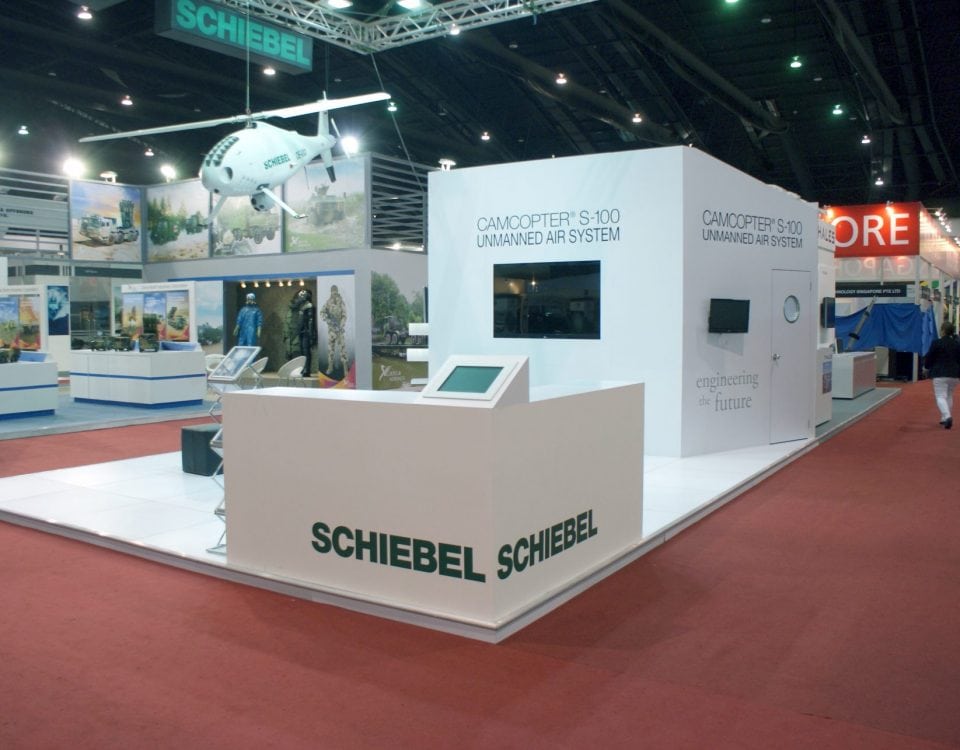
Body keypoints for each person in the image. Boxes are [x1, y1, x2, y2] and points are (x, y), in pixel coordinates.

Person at [923, 319, 960, 429]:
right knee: (949, 395)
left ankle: (947, 417)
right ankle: (944, 418)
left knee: (940, 396)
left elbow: (930, 357)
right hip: (954, 374)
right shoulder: (957, 344)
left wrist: (926, 367)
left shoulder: (937, 343)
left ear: (943, 330)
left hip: (940, 373)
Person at [320, 284, 349, 378]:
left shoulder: (341, 302)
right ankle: (330, 367)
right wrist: (327, 320)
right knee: (330, 350)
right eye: (333, 292)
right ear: (331, 292)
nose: (334, 294)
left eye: (335, 292)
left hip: (339, 330)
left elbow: (344, 316)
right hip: (331, 331)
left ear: (337, 292)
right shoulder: (328, 302)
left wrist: (341, 325)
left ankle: (345, 369)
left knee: (343, 350)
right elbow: (322, 312)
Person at [290, 289, 317, 377]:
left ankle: (307, 369)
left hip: (306, 332)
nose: (300, 297)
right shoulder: (302, 307)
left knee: (306, 351)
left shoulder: (309, 306)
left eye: (302, 296)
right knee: (302, 351)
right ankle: (303, 368)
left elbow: (311, 321)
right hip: (301, 331)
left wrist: (311, 334)